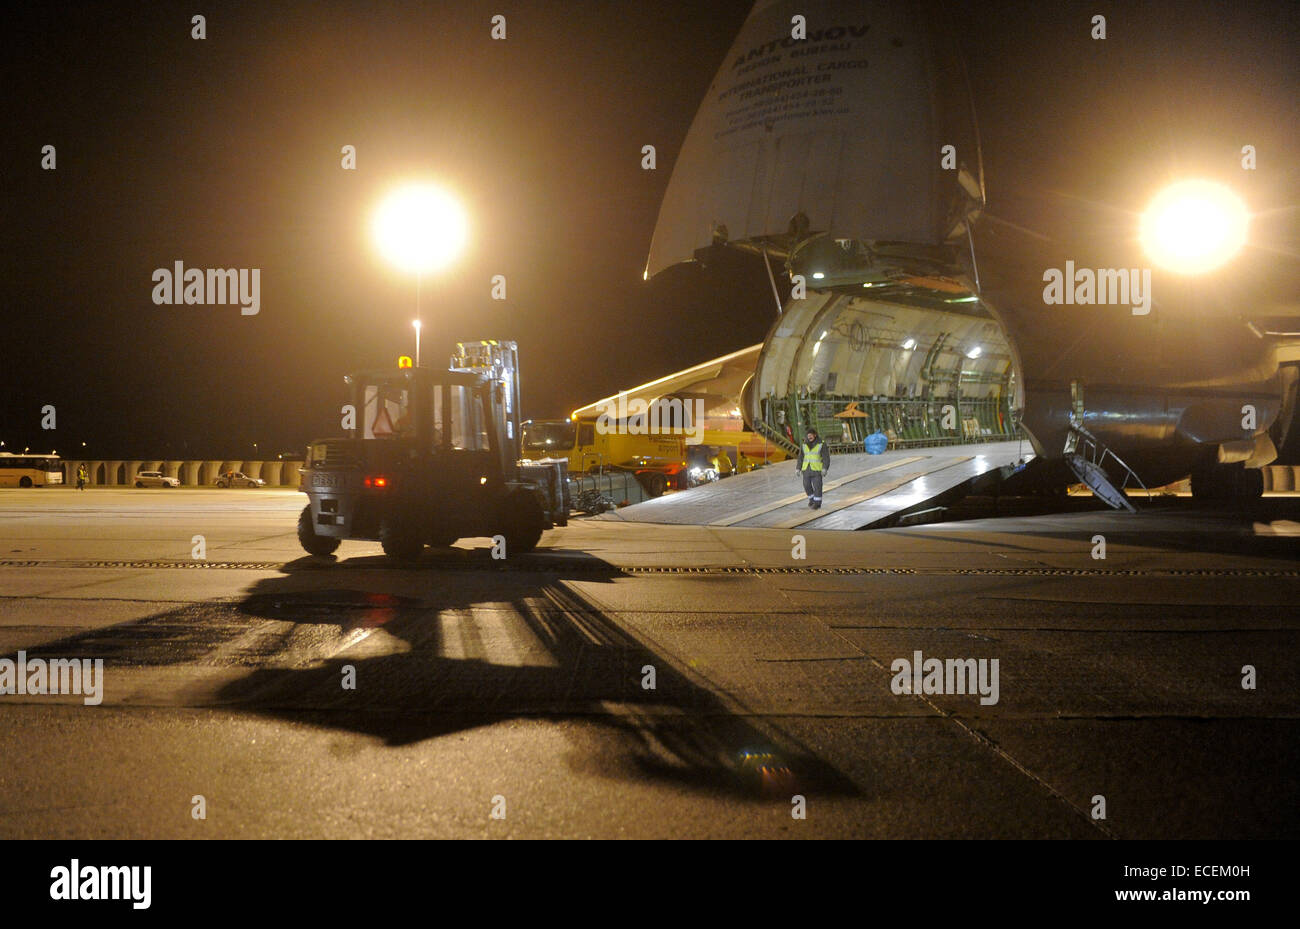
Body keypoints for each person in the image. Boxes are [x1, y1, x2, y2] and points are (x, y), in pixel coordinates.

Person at [797, 427, 830, 509]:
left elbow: (826, 457)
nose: (809, 437)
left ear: (815, 435)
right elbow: (800, 457)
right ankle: (812, 500)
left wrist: (825, 468)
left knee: (817, 486)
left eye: (811, 435)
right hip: (806, 470)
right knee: (806, 486)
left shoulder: (821, 444)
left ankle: (817, 503)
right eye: (808, 436)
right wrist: (798, 468)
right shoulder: (804, 444)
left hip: (816, 470)